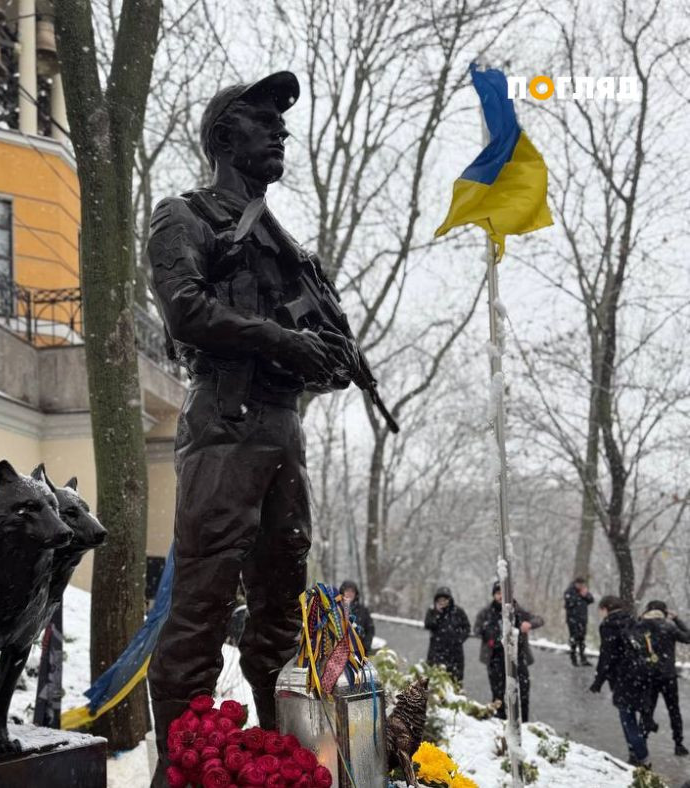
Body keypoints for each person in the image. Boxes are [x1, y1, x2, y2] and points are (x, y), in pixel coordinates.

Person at [145, 72, 378, 786]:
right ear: (223, 136)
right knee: (201, 610)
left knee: (281, 614)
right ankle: (186, 770)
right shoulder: (184, 216)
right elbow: (184, 311)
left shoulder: (292, 252)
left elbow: (329, 358)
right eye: (260, 119)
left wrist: (332, 357)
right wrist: (284, 343)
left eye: (281, 121)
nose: (279, 130)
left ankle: (282, 765)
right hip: (224, 422)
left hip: (283, 436)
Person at [590, 595, 653, 768]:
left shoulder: (608, 625)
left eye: (601, 610)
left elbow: (606, 656)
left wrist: (598, 681)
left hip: (622, 678)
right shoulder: (633, 621)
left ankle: (643, 759)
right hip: (642, 676)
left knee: (628, 718)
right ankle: (636, 755)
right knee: (635, 717)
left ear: (605, 608)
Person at [474, 582, 543, 722]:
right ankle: (501, 722)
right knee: (498, 693)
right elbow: (477, 629)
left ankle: (523, 723)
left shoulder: (517, 610)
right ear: (494, 595)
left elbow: (539, 619)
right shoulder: (486, 612)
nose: (501, 597)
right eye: (498, 593)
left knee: (523, 691)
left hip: (518, 656)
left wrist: (529, 624)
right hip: (495, 658)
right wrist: (490, 636)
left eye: (504, 593)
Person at [638, 600, 690, 756]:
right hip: (668, 676)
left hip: (648, 676)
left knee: (647, 710)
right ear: (664, 612)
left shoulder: (641, 626)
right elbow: (688, 637)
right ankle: (678, 744)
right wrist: (676, 619)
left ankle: (642, 743)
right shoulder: (669, 627)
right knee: (674, 710)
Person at [424, 586, 471, 683]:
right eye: (439, 600)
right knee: (435, 682)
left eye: (444, 600)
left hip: (455, 653)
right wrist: (438, 614)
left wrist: (459, 639)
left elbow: (467, 628)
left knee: (455, 680)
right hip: (436, 652)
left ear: (449, 599)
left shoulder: (458, 612)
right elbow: (428, 624)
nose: (442, 602)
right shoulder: (432, 611)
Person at [563, 576, 594, 666]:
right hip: (573, 619)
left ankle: (583, 658)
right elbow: (569, 602)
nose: (581, 586)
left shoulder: (584, 591)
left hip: (583, 618)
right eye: (580, 584)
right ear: (576, 583)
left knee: (582, 639)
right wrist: (580, 596)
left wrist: (585, 595)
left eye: (582, 584)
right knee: (574, 638)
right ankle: (573, 658)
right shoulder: (569, 591)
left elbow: (591, 599)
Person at [339, 580, 375, 655]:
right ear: (342, 592)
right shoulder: (336, 608)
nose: (350, 594)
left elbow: (370, 630)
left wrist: (365, 647)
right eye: (347, 591)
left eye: (352, 591)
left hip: (358, 651)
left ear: (356, 594)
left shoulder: (363, 610)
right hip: (338, 652)